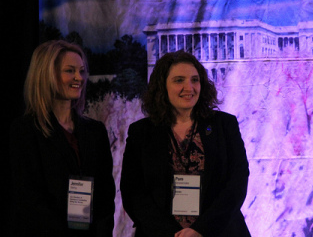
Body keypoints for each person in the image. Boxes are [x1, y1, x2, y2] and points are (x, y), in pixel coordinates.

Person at [120, 50, 251, 237]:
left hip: (219, 232)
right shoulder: (141, 132)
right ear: (162, 86)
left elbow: (237, 183)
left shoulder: (224, 125)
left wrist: (200, 230)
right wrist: (172, 234)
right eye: (179, 80)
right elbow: (133, 192)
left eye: (195, 80)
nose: (189, 87)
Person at [9, 40, 116, 236]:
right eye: (70, 71)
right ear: (46, 75)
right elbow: (29, 200)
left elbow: (105, 197)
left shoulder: (95, 131)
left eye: (82, 71)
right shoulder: (24, 131)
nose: (79, 78)